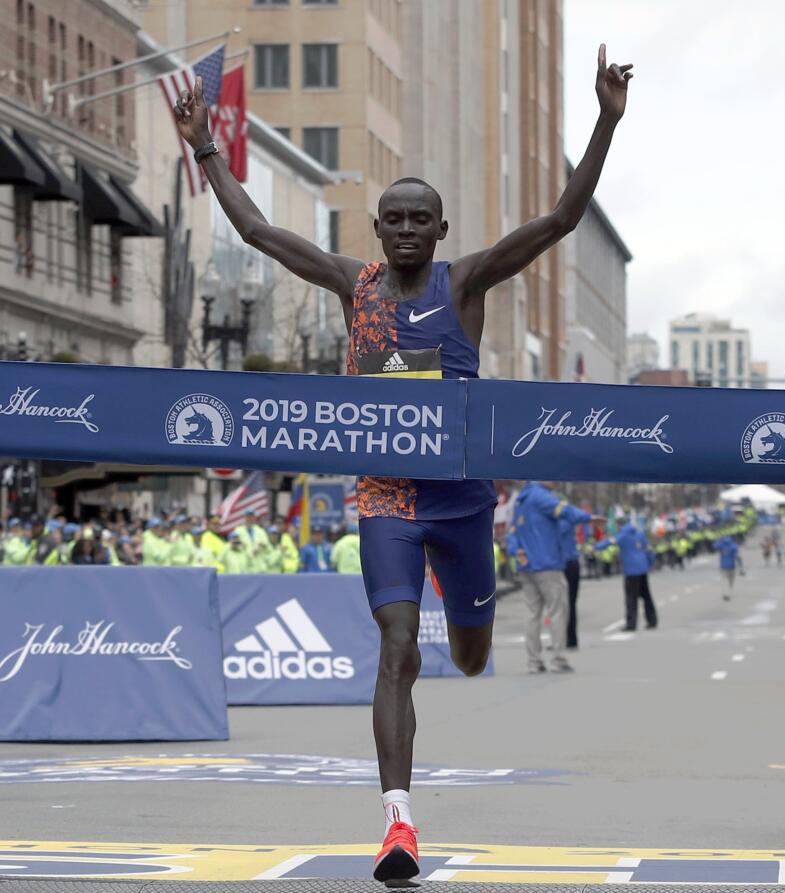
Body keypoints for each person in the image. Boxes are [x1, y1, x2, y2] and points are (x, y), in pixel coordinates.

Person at [174, 43, 632, 887]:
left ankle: (469, 629)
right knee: (395, 645)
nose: (410, 229)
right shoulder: (356, 286)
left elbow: (561, 220)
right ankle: (398, 821)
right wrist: (206, 147)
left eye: (423, 218)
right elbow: (257, 229)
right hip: (385, 497)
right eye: (396, 218)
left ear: (442, 229)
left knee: (465, 650)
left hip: (461, 503)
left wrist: (604, 120)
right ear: (377, 229)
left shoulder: (468, 284)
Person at [506, 482, 587, 673]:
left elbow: (512, 533)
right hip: (548, 563)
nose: (557, 480)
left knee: (532, 614)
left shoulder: (520, 500)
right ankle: (558, 659)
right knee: (558, 611)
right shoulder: (542, 497)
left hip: (527, 566)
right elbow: (565, 512)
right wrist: (587, 517)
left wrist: (516, 551)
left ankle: (534, 661)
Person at [558, 508, 593, 649]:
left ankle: (568, 639)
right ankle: (567, 638)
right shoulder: (568, 520)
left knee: (566, 603)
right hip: (569, 564)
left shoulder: (560, 523)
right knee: (565, 604)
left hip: (566, 564)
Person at [617, 519, 657, 630]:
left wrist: (596, 547)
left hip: (631, 571)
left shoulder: (623, 536)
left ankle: (631, 624)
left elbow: (610, 542)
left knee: (631, 598)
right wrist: (651, 563)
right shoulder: (640, 535)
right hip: (642, 569)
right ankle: (652, 620)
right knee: (647, 596)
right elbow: (649, 549)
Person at [714, 533, 740, 601]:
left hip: (723, 565)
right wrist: (740, 566)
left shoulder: (721, 545)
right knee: (731, 581)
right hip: (732, 566)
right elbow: (737, 556)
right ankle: (728, 593)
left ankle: (725, 593)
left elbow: (715, 546)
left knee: (724, 580)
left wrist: (719, 540)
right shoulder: (733, 546)